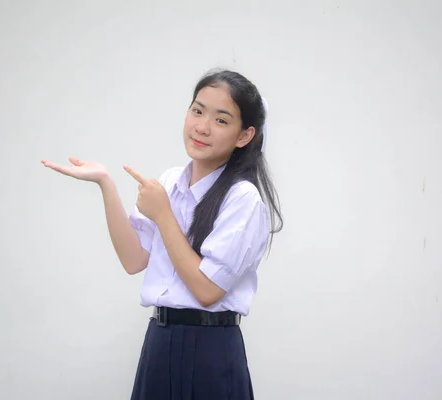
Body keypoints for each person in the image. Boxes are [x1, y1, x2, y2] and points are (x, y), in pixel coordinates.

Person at [41, 69, 283, 399]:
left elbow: (208, 290)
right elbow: (133, 259)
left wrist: (164, 214)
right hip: (160, 340)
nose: (202, 127)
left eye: (221, 120)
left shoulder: (243, 198)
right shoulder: (169, 181)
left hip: (212, 348)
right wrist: (106, 184)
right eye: (197, 111)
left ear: (244, 135)